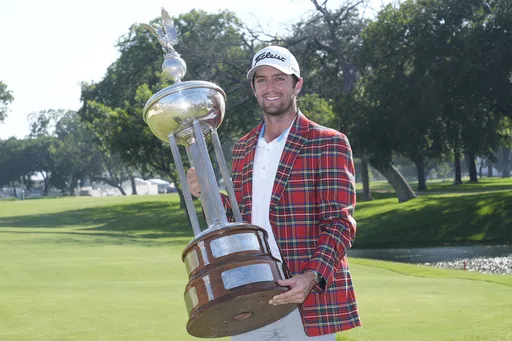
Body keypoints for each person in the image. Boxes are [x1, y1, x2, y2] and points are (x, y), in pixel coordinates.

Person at [187, 45, 361, 340]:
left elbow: (340, 223)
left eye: (280, 78)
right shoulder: (243, 148)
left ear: (297, 85)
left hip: (305, 296)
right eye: (262, 79)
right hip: (250, 293)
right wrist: (207, 194)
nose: (271, 87)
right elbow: (239, 221)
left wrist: (311, 276)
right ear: (254, 88)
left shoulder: (328, 142)